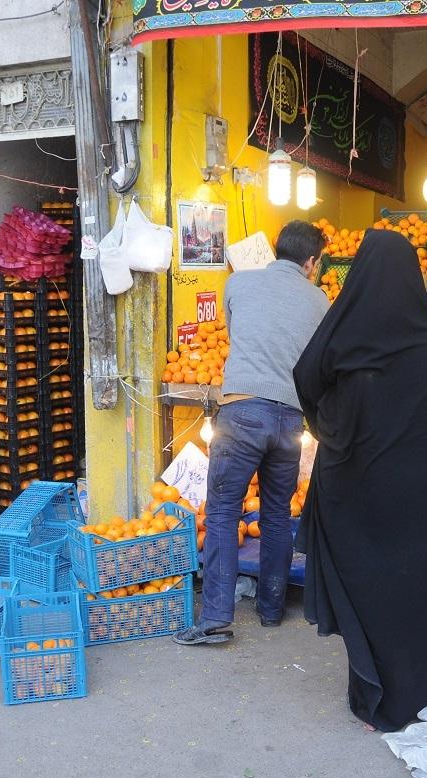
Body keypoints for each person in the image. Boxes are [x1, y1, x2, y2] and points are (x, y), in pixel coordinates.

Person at [293, 230, 427, 732]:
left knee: (373, 595)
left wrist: (333, 428)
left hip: (363, 498)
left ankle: (374, 694)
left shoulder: (342, 336)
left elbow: (305, 380)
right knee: (426, 593)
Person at [174, 220, 329, 645]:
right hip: (289, 420)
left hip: (241, 410)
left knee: (223, 512)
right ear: (311, 262)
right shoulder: (320, 301)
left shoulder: (238, 284)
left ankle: (216, 619)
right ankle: (271, 610)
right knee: (278, 513)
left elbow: (239, 331)